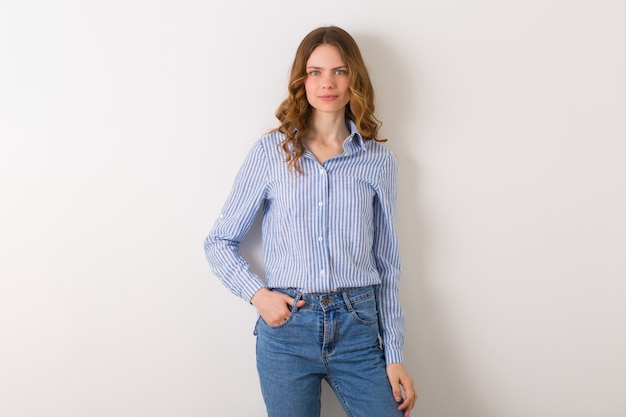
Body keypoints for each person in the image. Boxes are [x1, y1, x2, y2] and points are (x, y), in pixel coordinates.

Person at [204, 25, 417, 417]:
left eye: (339, 71)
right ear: (301, 80)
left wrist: (395, 354)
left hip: (359, 326)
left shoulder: (378, 161)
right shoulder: (271, 152)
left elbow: (387, 263)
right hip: (288, 331)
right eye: (315, 72)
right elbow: (218, 241)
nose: (327, 83)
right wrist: (258, 295)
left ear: (355, 77)